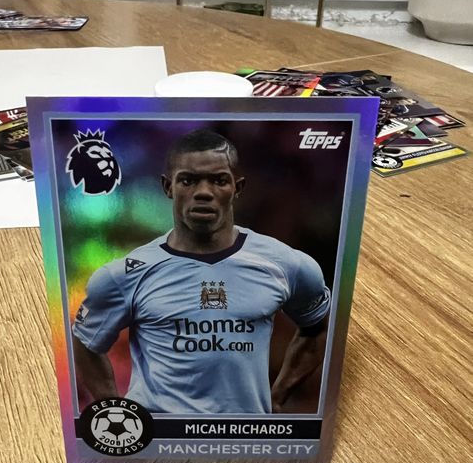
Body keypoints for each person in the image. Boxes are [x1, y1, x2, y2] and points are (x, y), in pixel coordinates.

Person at [72, 129, 331, 414]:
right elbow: (85, 341)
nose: (204, 192)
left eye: (219, 180)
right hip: (160, 433)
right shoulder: (126, 274)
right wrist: (117, 413)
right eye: (188, 180)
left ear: (237, 188)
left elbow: (317, 329)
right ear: (168, 187)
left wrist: (279, 396)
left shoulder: (285, 263)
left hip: (244, 433)